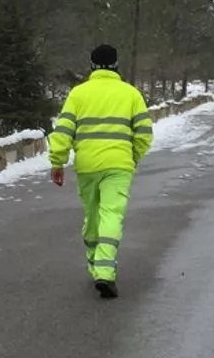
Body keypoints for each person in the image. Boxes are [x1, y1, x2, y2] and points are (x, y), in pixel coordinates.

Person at [49, 44, 152, 299]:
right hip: (119, 165)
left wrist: (57, 162)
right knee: (112, 214)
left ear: (91, 64)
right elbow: (144, 133)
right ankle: (105, 271)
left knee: (92, 216)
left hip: (87, 165)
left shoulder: (78, 94)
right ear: (116, 64)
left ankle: (95, 265)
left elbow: (63, 131)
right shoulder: (131, 94)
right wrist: (132, 156)